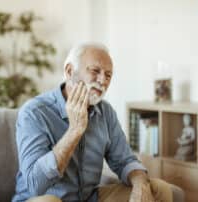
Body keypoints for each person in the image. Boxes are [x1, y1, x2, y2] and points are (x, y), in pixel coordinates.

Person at [12, 43, 173, 202]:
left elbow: (125, 161)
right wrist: (74, 131)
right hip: (41, 199)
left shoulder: (105, 112)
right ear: (69, 71)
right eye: (95, 71)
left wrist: (140, 185)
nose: (102, 80)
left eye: (108, 75)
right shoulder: (34, 112)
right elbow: (35, 185)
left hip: (89, 198)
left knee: (159, 190)